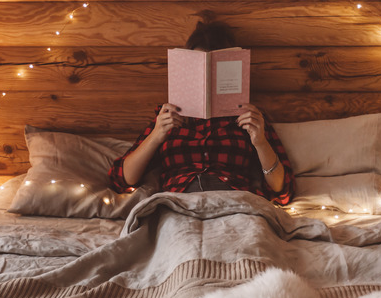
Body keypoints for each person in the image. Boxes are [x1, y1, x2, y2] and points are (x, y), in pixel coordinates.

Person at [108, 21, 295, 205]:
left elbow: (283, 191)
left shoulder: (249, 118)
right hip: (179, 201)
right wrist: (157, 135)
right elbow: (122, 180)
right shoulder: (168, 117)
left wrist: (260, 142)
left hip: (234, 202)